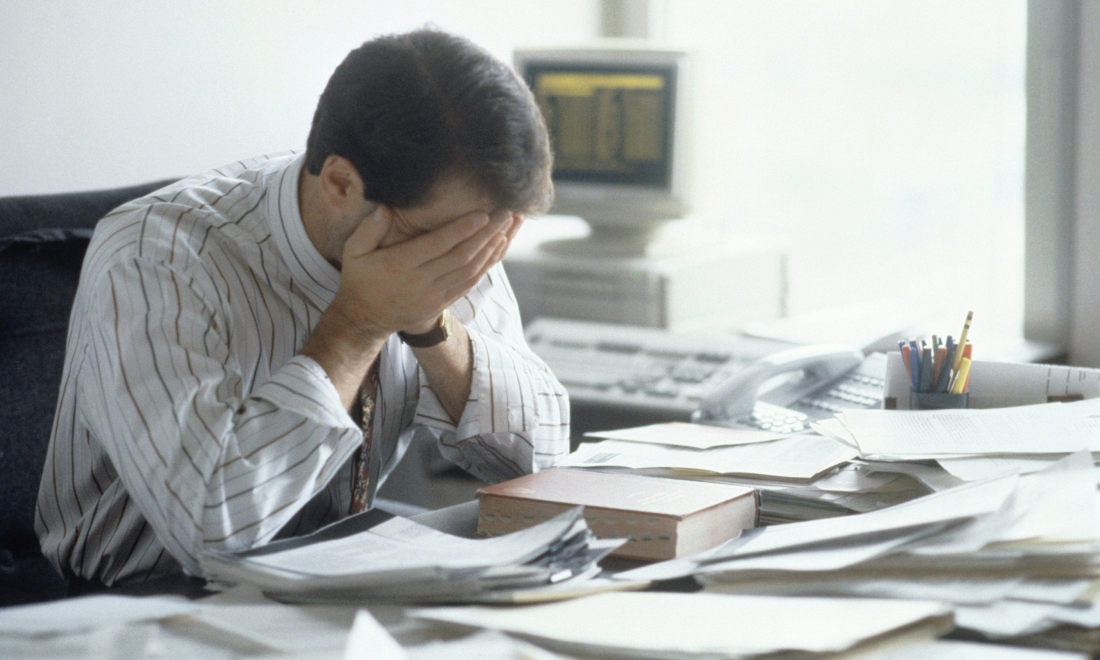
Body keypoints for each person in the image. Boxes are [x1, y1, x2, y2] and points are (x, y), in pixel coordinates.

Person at [35, 29, 570, 586]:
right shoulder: (152, 256)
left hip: (336, 575)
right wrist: (359, 322)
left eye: (484, 239)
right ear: (340, 183)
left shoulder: (455, 226)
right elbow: (211, 532)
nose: (462, 261)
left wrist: (430, 325)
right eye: (438, 244)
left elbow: (544, 460)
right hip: (150, 599)